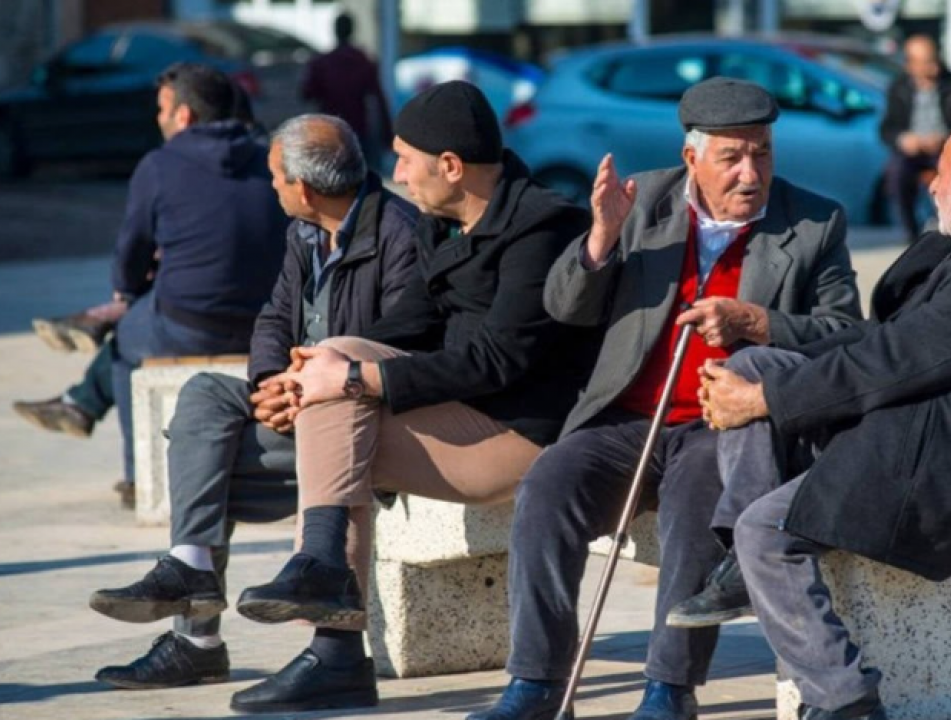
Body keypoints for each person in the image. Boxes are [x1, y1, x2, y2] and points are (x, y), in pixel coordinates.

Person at [467, 77, 861, 720]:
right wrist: (599, 240)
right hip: (628, 418)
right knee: (547, 487)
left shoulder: (814, 223)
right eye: (731, 157)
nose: (750, 171)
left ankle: (668, 688)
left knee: (696, 501)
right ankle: (535, 682)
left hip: (724, 426)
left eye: (761, 152)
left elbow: (846, 336)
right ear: (690, 159)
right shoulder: (642, 202)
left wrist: (753, 322)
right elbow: (562, 307)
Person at [681, 120, 951, 720]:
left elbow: (890, 362)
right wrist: (764, 354)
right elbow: (889, 342)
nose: (932, 188)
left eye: (941, 175)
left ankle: (843, 700)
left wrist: (762, 400)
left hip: (943, 467)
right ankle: (740, 565)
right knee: (754, 361)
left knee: (765, 532)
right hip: (913, 427)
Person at [223, 81, 600, 714]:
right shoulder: (441, 223)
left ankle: (333, 634)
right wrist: (309, 373)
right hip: (457, 420)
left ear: (451, 166)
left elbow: (498, 359)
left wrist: (351, 378)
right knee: (337, 384)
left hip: (518, 440)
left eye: (405, 158)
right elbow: (407, 325)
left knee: (342, 394)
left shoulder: (543, 228)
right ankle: (330, 619)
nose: (393, 173)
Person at [86, 113, 420, 692]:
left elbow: (402, 344)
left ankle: (197, 642)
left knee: (202, 468)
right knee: (204, 397)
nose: (269, 186)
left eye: (274, 176)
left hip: (360, 421)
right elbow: (273, 317)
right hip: (300, 405)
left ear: (305, 188)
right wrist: (270, 381)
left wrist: (311, 391)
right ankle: (191, 569)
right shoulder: (306, 233)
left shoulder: (399, 234)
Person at [13, 63, 289, 507]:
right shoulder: (267, 159)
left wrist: (125, 292)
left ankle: (137, 473)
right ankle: (80, 399)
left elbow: (131, 251)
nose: (157, 118)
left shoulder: (160, 165)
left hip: (189, 322)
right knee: (150, 303)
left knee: (124, 342)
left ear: (184, 117)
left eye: (162, 108)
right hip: (268, 319)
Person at [879, 35, 951, 241]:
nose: (933, 65)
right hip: (913, 151)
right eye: (926, 61)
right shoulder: (899, 88)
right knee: (897, 174)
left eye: (935, 58)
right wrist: (904, 139)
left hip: (946, 149)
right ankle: (911, 234)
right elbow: (887, 128)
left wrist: (947, 138)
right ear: (911, 65)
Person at [300, 12, 393, 166]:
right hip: (357, 129)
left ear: (335, 31)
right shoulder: (363, 61)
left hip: (330, 128)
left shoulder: (322, 62)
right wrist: (387, 134)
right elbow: (379, 98)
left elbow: (307, 94)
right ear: (352, 31)